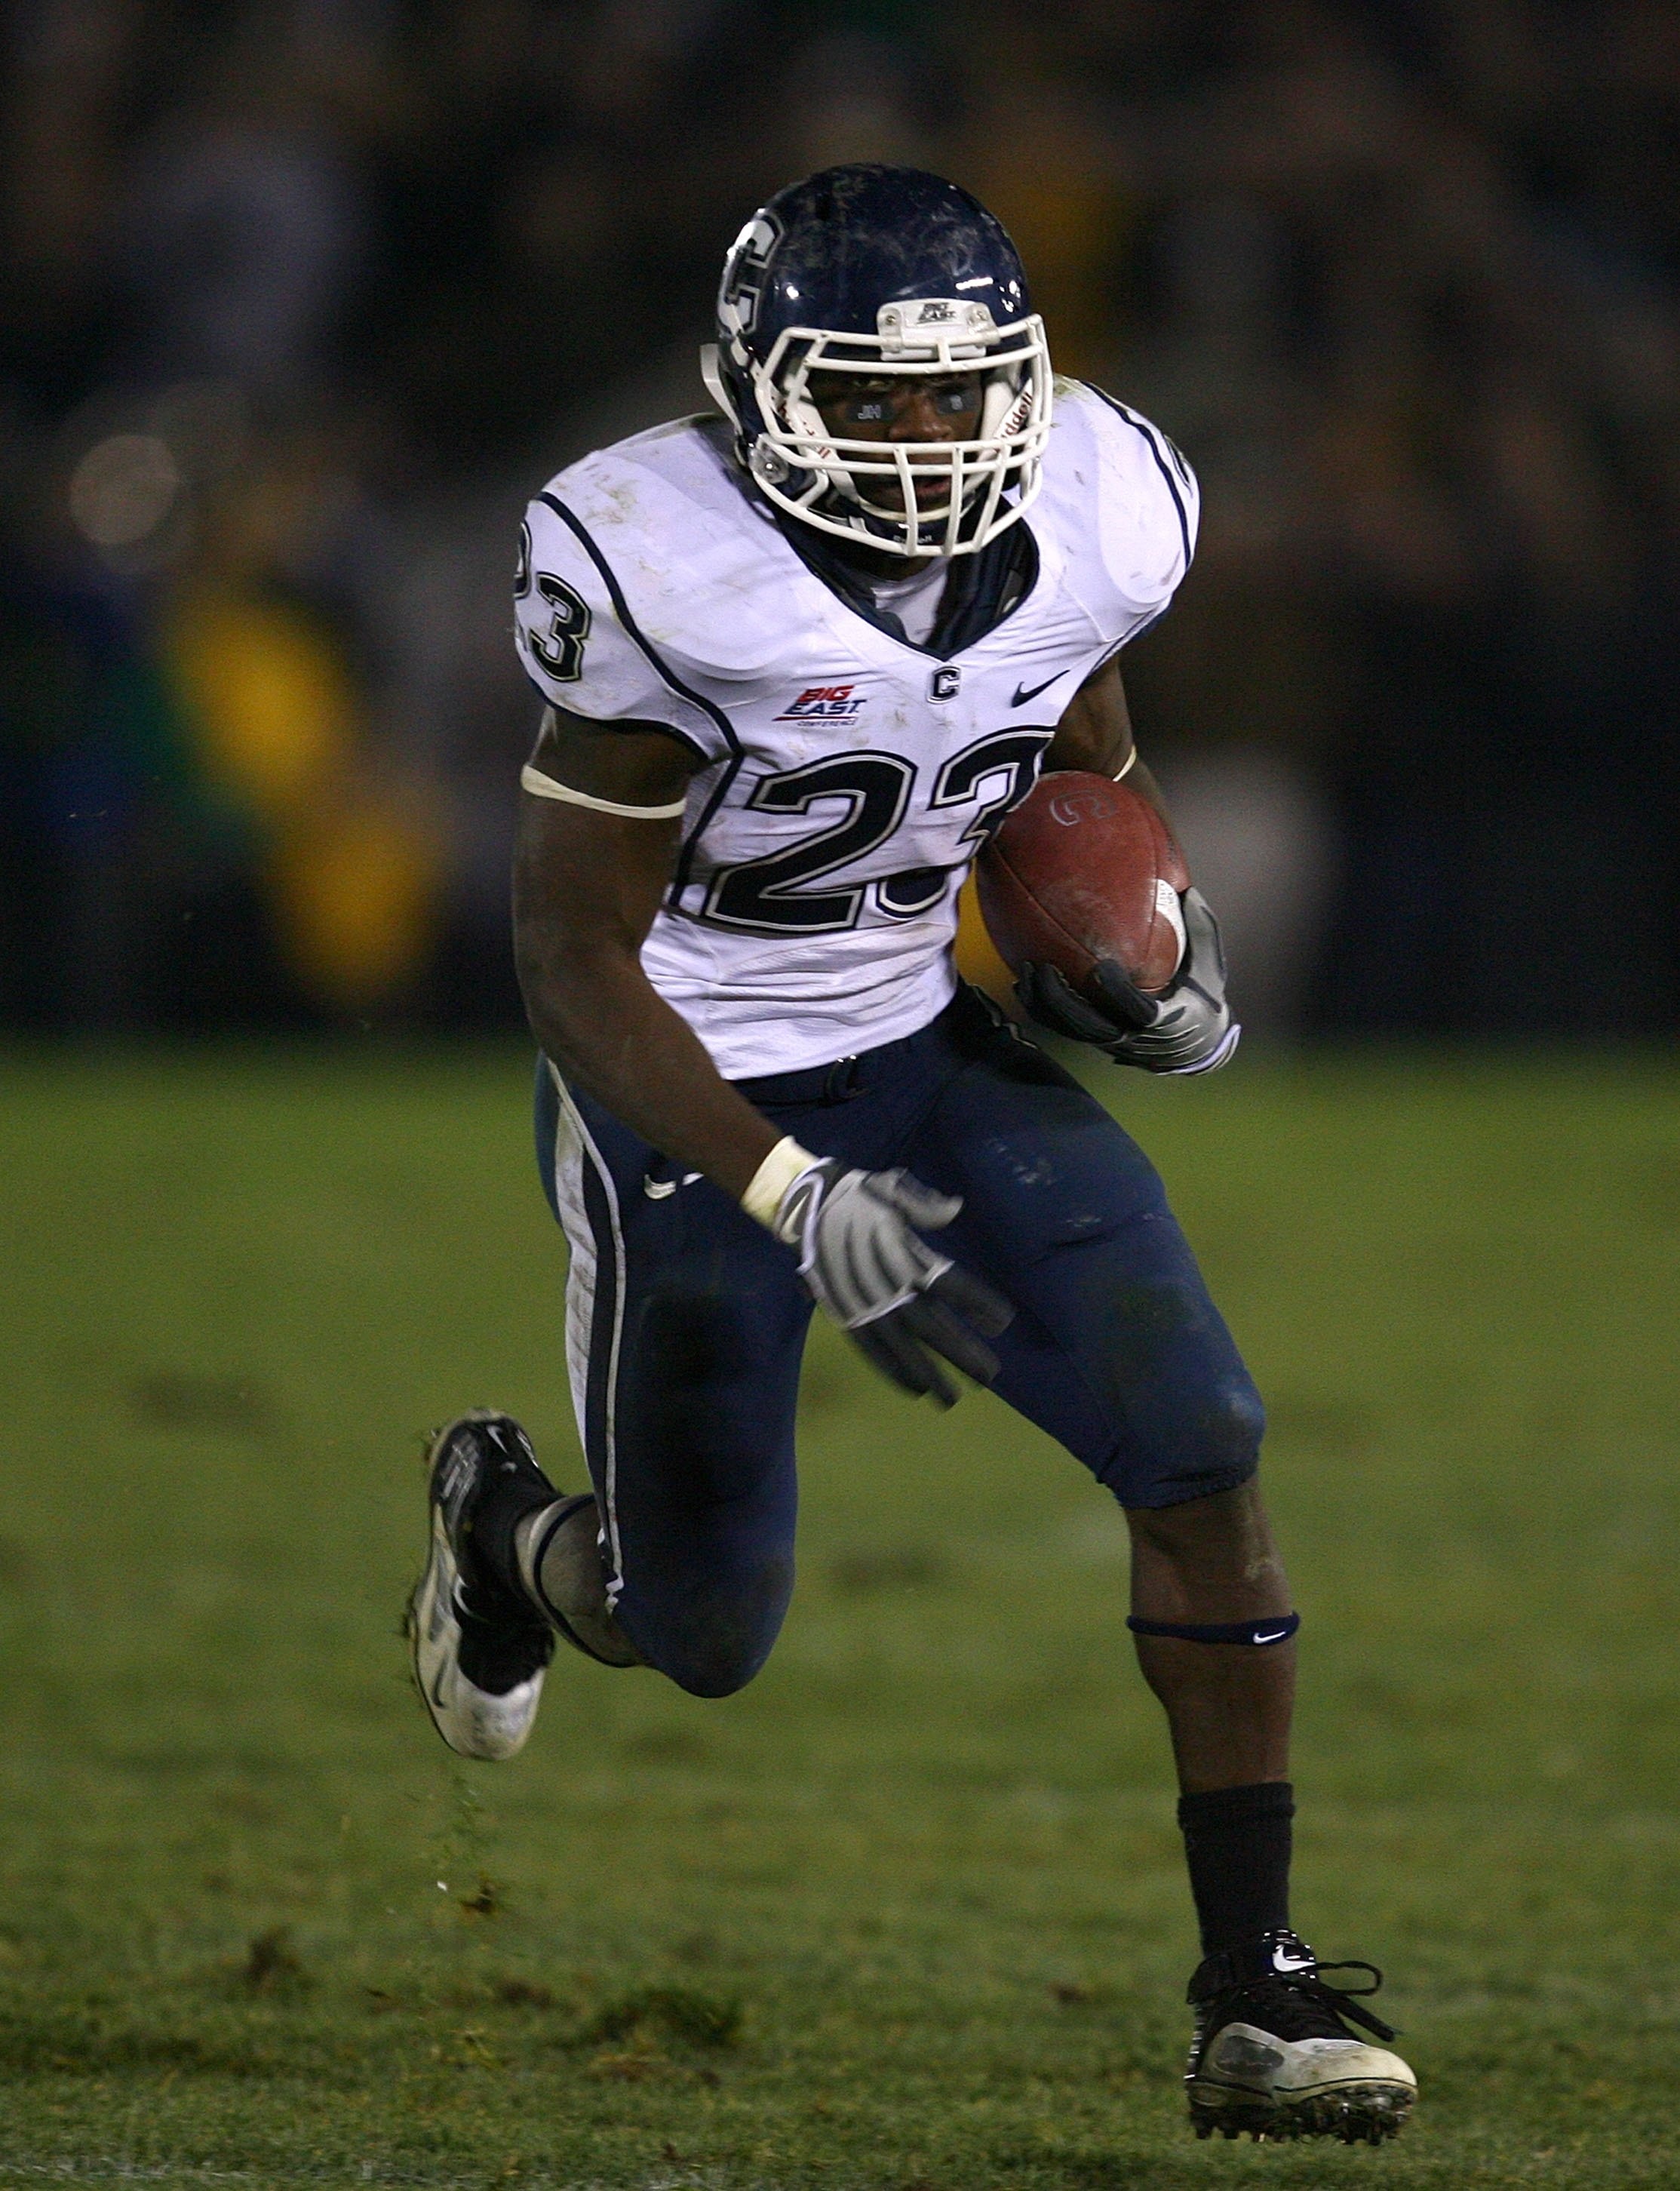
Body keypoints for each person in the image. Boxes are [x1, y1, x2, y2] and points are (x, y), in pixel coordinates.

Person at [407, 164, 1414, 2146]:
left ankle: (1255, 1993)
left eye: (960, 396)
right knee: (694, 1632)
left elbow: (1073, 741)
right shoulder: (656, 562)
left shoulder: (1103, 504)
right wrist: (788, 1190)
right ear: (764, 391)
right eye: (872, 397)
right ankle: (505, 1530)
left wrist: (1138, 937)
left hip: (917, 1044)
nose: (930, 438)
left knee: (1199, 1441)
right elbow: (567, 955)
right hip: (684, 1079)